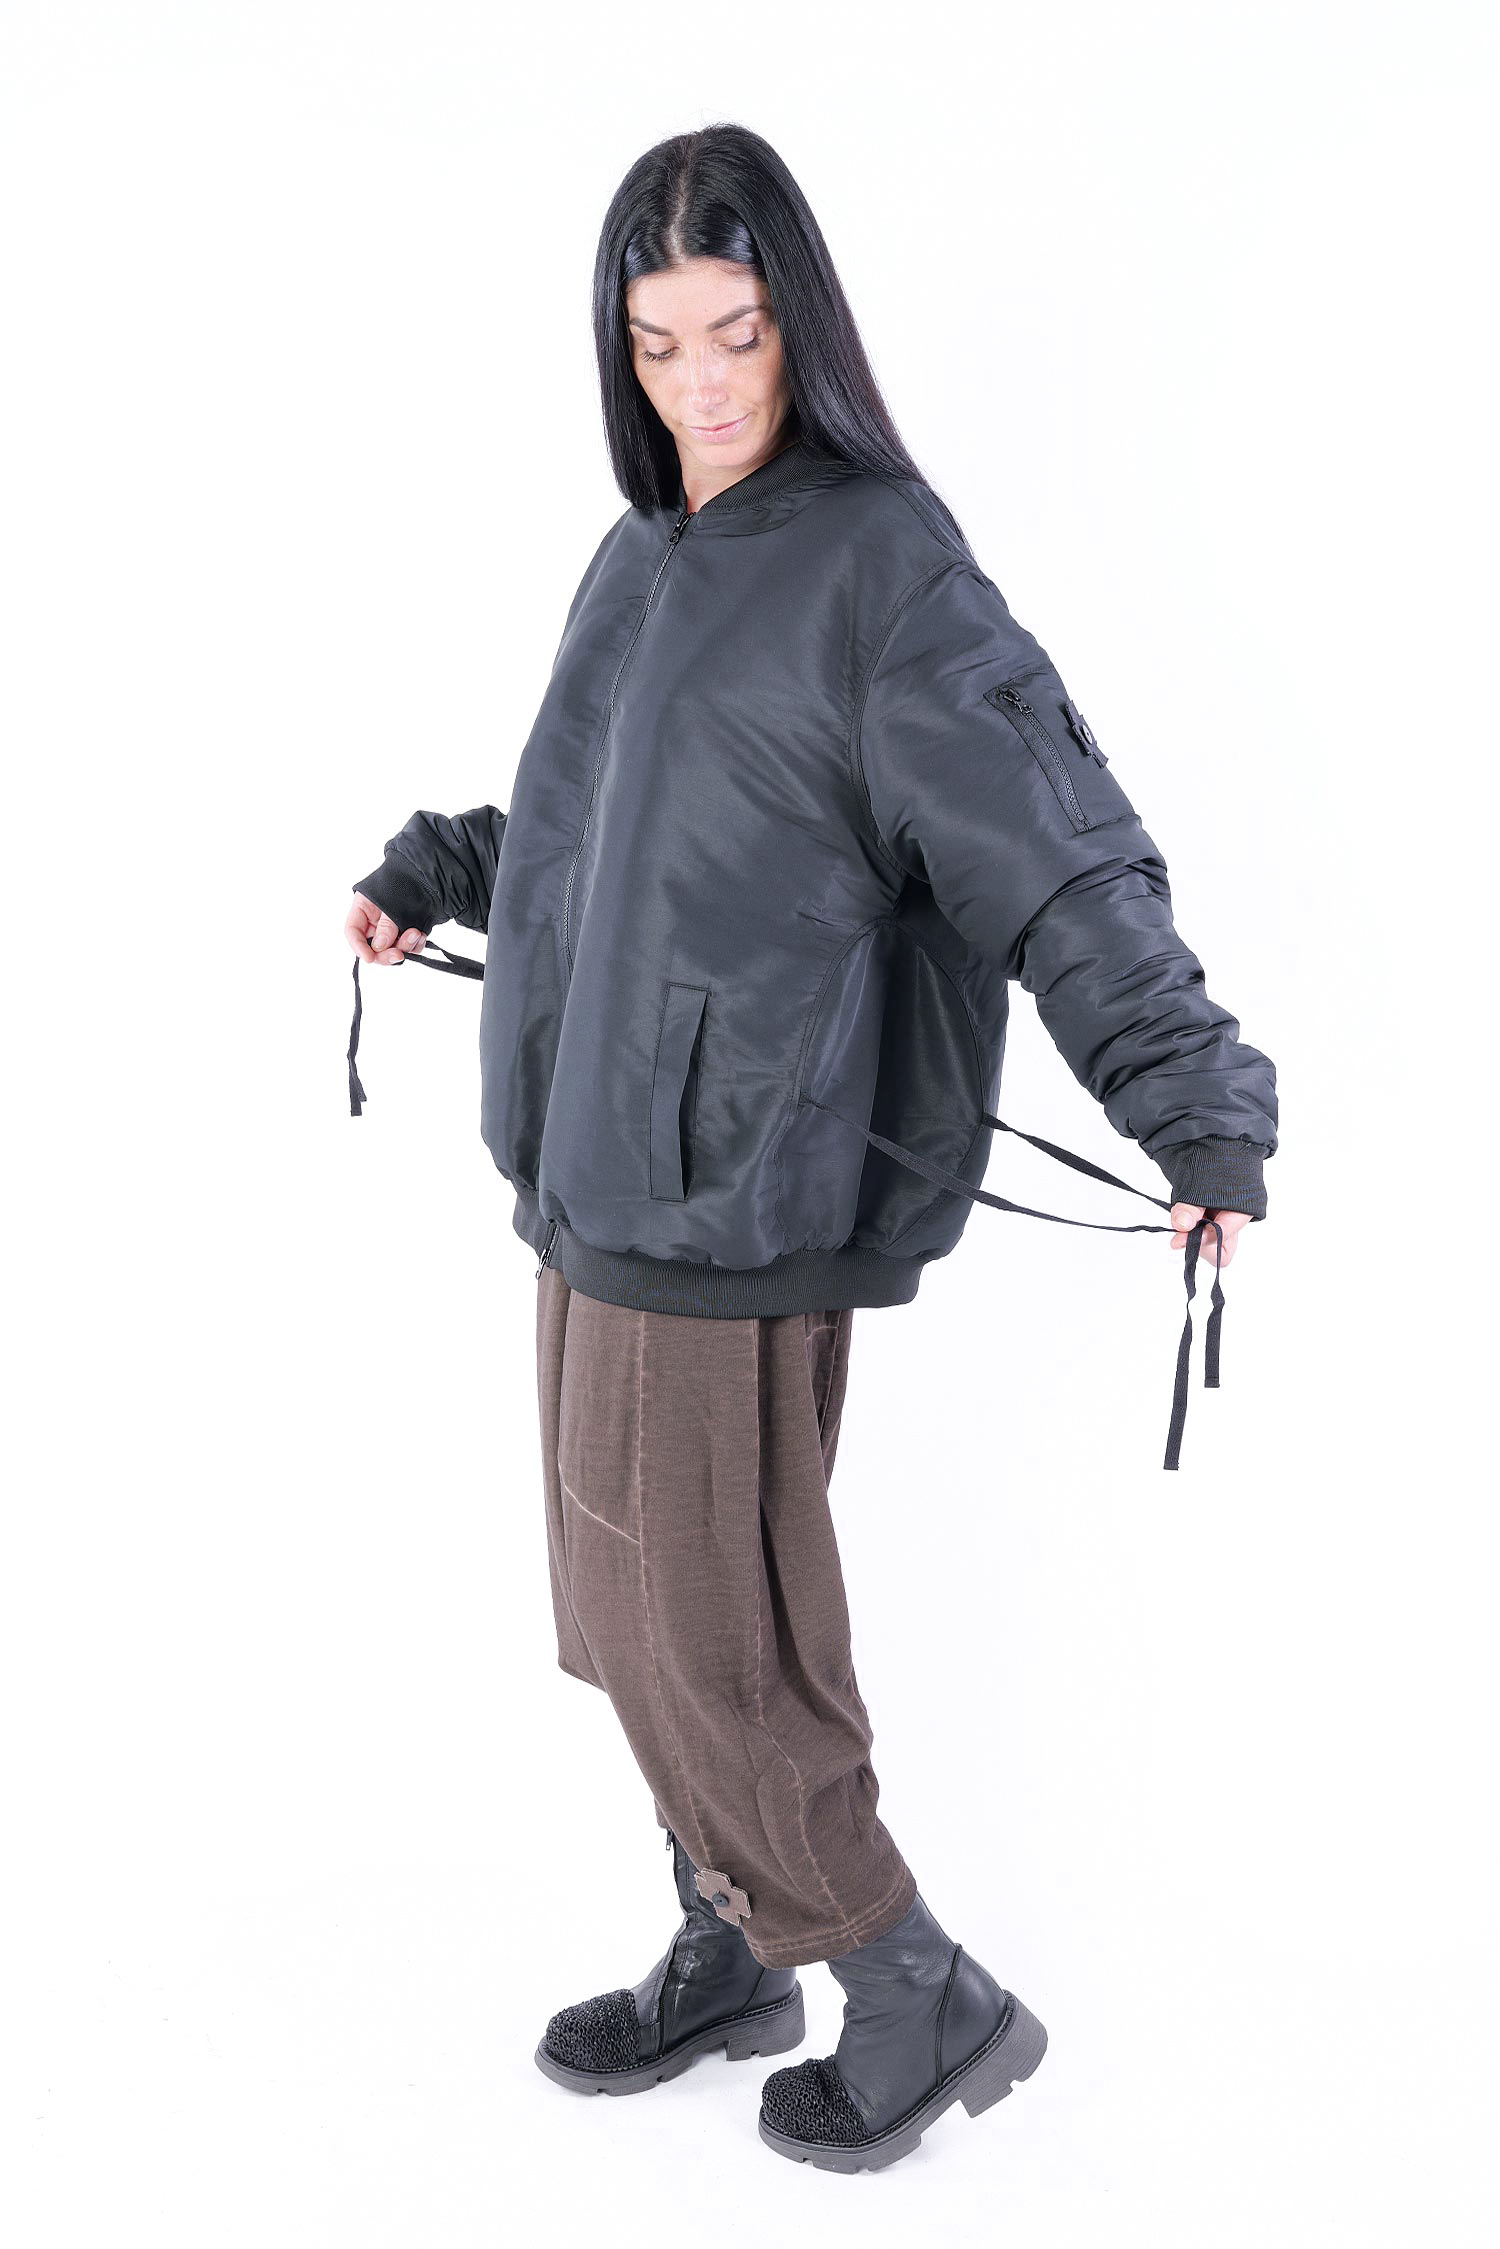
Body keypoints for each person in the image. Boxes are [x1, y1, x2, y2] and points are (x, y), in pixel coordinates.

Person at [342, 122, 1277, 2174]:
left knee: (721, 1638)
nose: (700, 382)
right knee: (615, 1613)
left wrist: (1193, 1097)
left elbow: (1061, 854)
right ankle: (733, 1939)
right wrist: (439, 869)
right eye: (658, 340)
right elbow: (599, 833)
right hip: (594, 1171)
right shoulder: (642, 554)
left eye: (738, 332)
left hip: (736, 1186)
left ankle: (916, 1985)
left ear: (806, 327)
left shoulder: (883, 568)